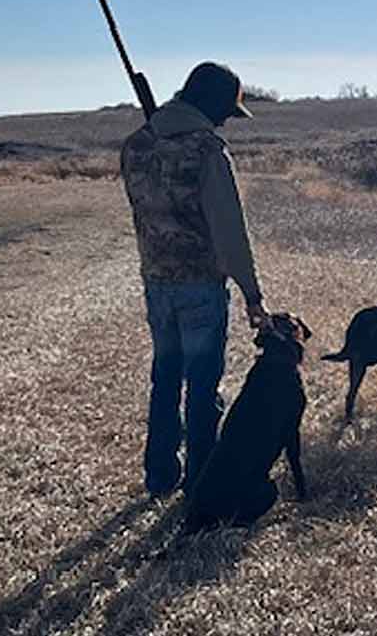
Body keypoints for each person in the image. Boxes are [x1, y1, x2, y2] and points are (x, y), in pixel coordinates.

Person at [119, 61, 269, 497]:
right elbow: (229, 232)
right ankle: (202, 483)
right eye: (226, 109)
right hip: (200, 287)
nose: (226, 120)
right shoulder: (207, 150)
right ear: (211, 103)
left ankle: (160, 477)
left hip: (156, 283)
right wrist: (252, 295)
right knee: (203, 389)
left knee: (165, 380)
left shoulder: (137, 144)